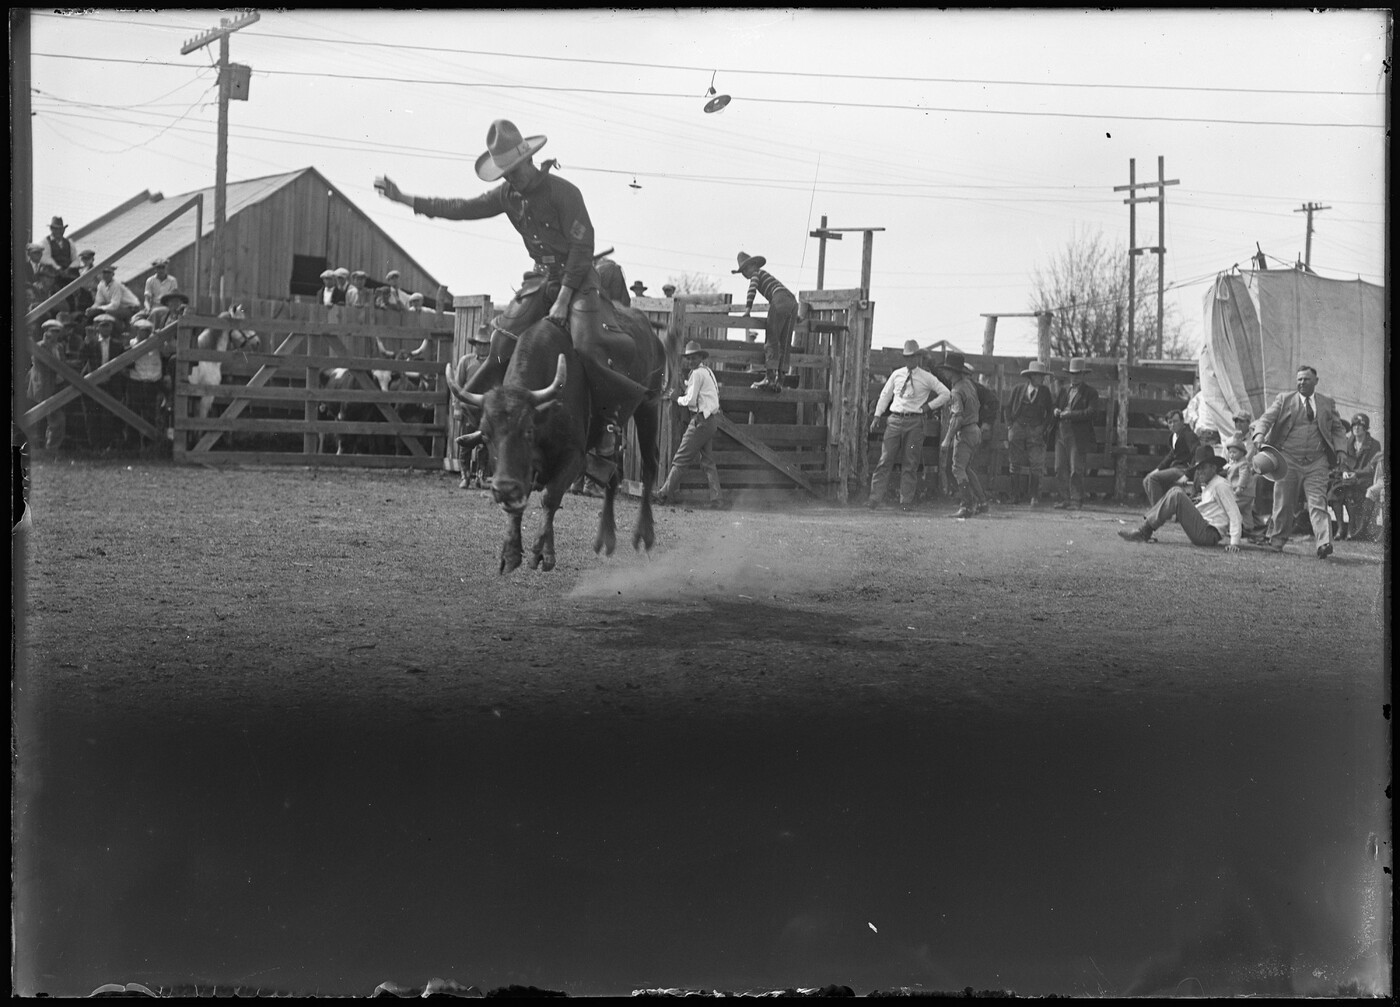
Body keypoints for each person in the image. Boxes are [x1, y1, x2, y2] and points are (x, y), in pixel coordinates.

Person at [375, 118, 651, 459]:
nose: (509, 179)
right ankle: (489, 419)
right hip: (540, 278)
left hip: (579, 279)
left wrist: (564, 299)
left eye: (513, 172)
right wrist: (404, 198)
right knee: (500, 344)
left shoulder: (564, 193)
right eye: (504, 174)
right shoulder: (508, 195)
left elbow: (583, 249)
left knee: (587, 345)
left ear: (528, 161)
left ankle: (609, 424)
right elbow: (461, 208)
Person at [1250, 364, 1350, 559]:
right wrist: (1260, 434)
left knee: (1318, 503)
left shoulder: (1327, 403)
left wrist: (1341, 450)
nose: (1302, 383)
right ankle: (1277, 542)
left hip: (1317, 462)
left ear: (1316, 381)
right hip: (1288, 460)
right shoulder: (1284, 399)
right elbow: (1266, 418)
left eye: (1306, 379)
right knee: (1283, 503)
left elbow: (1338, 428)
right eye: (1299, 380)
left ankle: (1324, 543)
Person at [866, 340, 951, 511]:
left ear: (918, 357)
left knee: (910, 462)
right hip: (895, 420)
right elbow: (885, 394)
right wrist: (877, 415)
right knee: (885, 459)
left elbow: (946, 393)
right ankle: (874, 498)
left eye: (913, 357)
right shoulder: (897, 374)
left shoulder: (927, 377)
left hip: (915, 422)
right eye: (907, 357)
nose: (910, 361)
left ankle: (905, 501)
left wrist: (928, 407)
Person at [1118, 445, 1243, 553]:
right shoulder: (1211, 484)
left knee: (1177, 494)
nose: (1199, 472)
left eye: (1203, 467)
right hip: (1204, 529)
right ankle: (1145, 530)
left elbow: (1234, 513)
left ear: (1214, 468)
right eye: (1198, 469)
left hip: (1209, 534)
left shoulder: (1221, 485)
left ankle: (1144, 531)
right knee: (1175, 492)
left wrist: (1234, 542)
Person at [654, 341, 724, 509]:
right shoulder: (707, 371)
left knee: (681, 457)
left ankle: (663, 494)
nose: (691, 361)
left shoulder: (697, 374)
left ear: (701, 357)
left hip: (701, 420)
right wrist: (685, 385)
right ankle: (717, 499)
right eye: (689, 358)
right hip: (710, 420)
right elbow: (697, 390)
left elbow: (691, 400)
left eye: (694, 357)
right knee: (707, 461)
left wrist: (676, 398)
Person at [734, 251, 798, 392]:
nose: (745, 274)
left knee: (772, 338)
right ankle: (780, 381)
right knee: (785, 341)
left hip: (779, 299)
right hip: (792, 301)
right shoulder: (766, 275)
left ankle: (769, 378)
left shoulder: (756, 274)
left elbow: (752, 290)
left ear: (752, 266)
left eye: (745, 270)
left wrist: (747, 309)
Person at [934, 350, 983, 519]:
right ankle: (982, 502)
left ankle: (967, 505)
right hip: (975, 429)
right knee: (967, 468)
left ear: (952, 372)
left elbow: (957, 417)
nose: (945, 373)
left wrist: (947, 440)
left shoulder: (955, 391)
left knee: (957, 468)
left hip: (965, 431)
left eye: (947, 370)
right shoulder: (968, 385)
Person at [1049, 357, 1101, 510]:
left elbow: (1091, 412)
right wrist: (1056, 410)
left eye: (1078, 374)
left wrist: (1070, 415)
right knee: (1059, 467)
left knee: (1075, 469)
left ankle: (1076, 500)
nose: (1075, 377)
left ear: (1084, 375)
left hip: (1078, 435)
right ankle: (1064, 498)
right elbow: (1056, 405)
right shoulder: (1064, 390)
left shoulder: (1090, 393)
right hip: (1061, 432)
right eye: (1073, 374)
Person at [1004, 359, 1055, 506]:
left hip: (1036, 430)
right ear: (1031, 376)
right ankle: (1015, 496)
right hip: (1018, 428)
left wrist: (1043, 427)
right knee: (1015, 462)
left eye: (1042, 376)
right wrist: (1010, 427)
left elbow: (1050, 412)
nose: (1041, 379)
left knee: (1036, 463)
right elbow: (1007, 409)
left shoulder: (1045, 392)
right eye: (1038, 376)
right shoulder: (1018, 389)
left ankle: (1034, 497)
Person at [1327, 412, 1382, 541]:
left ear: (1366, 428)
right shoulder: (1347, 442)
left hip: (1362, 479)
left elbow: (1371, 467)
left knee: (1350, 493)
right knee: (1336, 492)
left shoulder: (1374, 444)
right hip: (1346, 478)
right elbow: (1343, 462)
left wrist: (1355, 474)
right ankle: (1341, 528)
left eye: (1360, 426)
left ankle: (1351, 529)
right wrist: (1346, 472)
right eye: (1354, 426)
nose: (1356, 428)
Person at [454, 324, 494, 489]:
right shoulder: (466, 361)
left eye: (485, 344)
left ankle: (481, 476)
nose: (482, 347)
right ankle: (465, 476)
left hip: (486, 410)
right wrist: (456, 408)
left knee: (484, 443)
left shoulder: (495, 362)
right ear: (475, 344)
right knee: (466, 442)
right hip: (468, 409)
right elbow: (457, 386)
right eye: (479, 344)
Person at [1143, 409, 1200, 505]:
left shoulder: (1188, 435)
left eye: (1175, 421)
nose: (1173, 425)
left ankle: (1158, 513)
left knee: (1153, 479)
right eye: (1170, 422)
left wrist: (1188, 474)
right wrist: (1158, 469)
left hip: (1183, 469)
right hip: (1175, 468)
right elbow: (1171, 456)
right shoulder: (1173, 437)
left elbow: (1197, 453)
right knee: (1147, 479)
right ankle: (1161, 509)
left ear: (1182, 421)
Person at [26, 320, 68, 449]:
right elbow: (40, 366)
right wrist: (48, 346)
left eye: (57, 331)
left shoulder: (60, 347)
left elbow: (63, 364)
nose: (55, 334)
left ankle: (50, 447)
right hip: (43, 388)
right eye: (52, 331)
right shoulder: (39, 347)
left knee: (55, 419)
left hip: (58, 386)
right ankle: (46, 448)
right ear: (46, 331)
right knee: (51, 418)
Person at [1224, 435, 1263, 541]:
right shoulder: (1235, 463)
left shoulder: (1243, 464)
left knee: (1233, 508)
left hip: (1242, 492)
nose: (1231, 454)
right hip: (1248, 493)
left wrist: (1240, 487)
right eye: (1230, 452)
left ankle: (1231, 528)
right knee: (1246, 510)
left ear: (1242, 453)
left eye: (1234, 452)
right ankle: (1249, 528)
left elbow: (1243, 476)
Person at [87, 264, 141, 331]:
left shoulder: (116, 285)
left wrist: (99, 309)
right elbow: (99, 301)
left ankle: (119, 332)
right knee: (92, 314)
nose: (106, 275)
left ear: (113, 274)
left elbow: (115, 305)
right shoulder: (101, 285)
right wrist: (92, 309)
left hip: (131, 308)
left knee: (109, 314)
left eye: (108, 273)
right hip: (119, 307)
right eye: (104, 272)